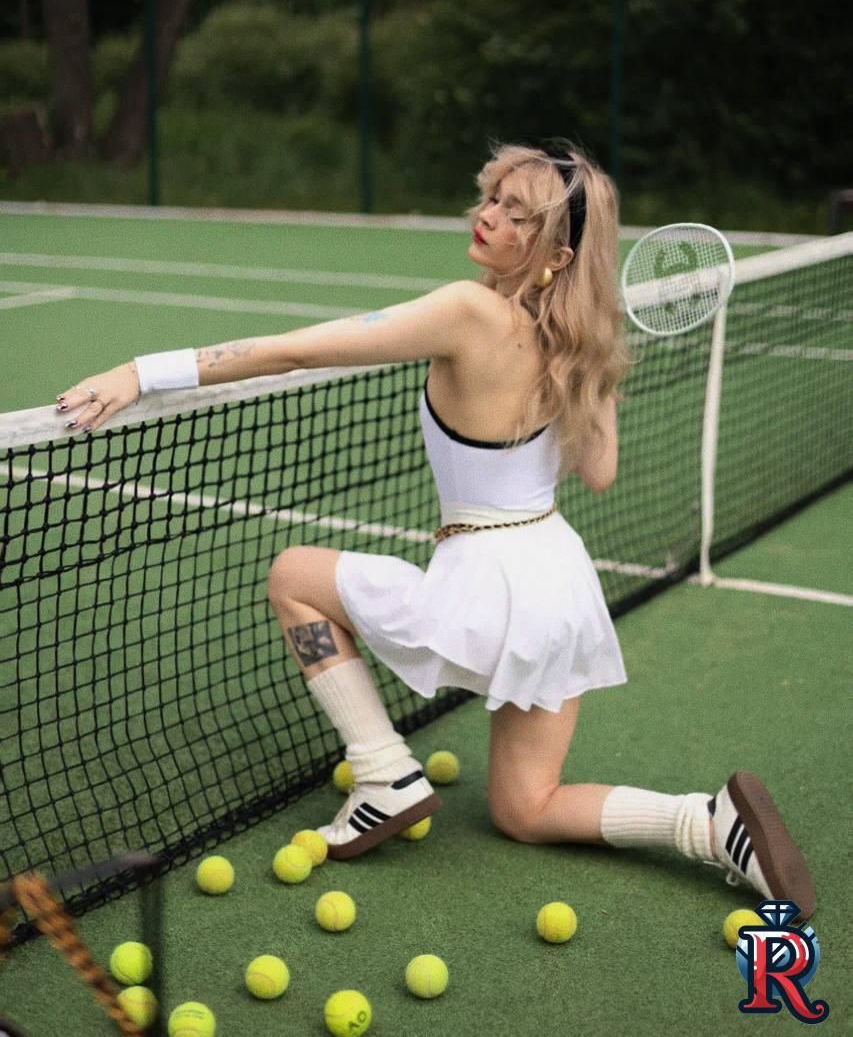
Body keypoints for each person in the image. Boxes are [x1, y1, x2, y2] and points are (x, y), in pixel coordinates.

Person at [54, 142, 815, 915]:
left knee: (293, 575)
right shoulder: (575, 345)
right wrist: (598, 366)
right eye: (493, 198)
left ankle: (382, 770)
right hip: (559, 586)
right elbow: (599, 473)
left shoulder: (467, 311)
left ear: (555, 254)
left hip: (490, 583)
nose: (488, 216)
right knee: (525, 809)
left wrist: (140, 372)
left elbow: (295, 351)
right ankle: (707, 824)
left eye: (516, 214)